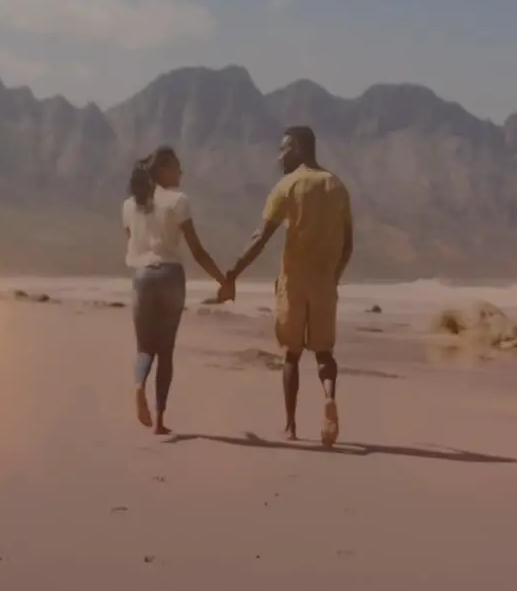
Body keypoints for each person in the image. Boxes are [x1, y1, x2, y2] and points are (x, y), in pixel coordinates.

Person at [217, 126, 354, 446]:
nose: (279, 157)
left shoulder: (288, 185)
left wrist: (233, 272)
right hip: (324, 283)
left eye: (284, 150)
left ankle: (291, 426)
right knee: (324, 353)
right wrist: (335, 276)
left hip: (293, 283)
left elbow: (260, 237)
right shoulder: (338, 187)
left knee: (291, 356)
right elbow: (348, 245)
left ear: (300, 149)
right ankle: (329, 397)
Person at [123, 145, 228, 434]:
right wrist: (223, 280)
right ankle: (159, 421)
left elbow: (130, 238)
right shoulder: (179, 201)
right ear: (163, 170)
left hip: (142, 276)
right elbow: (197, 250)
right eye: (176, 167)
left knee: (144, 347)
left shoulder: (130, 204)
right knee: (166, 351)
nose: (181, 172)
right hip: (170, 275)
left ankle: (137, 386)